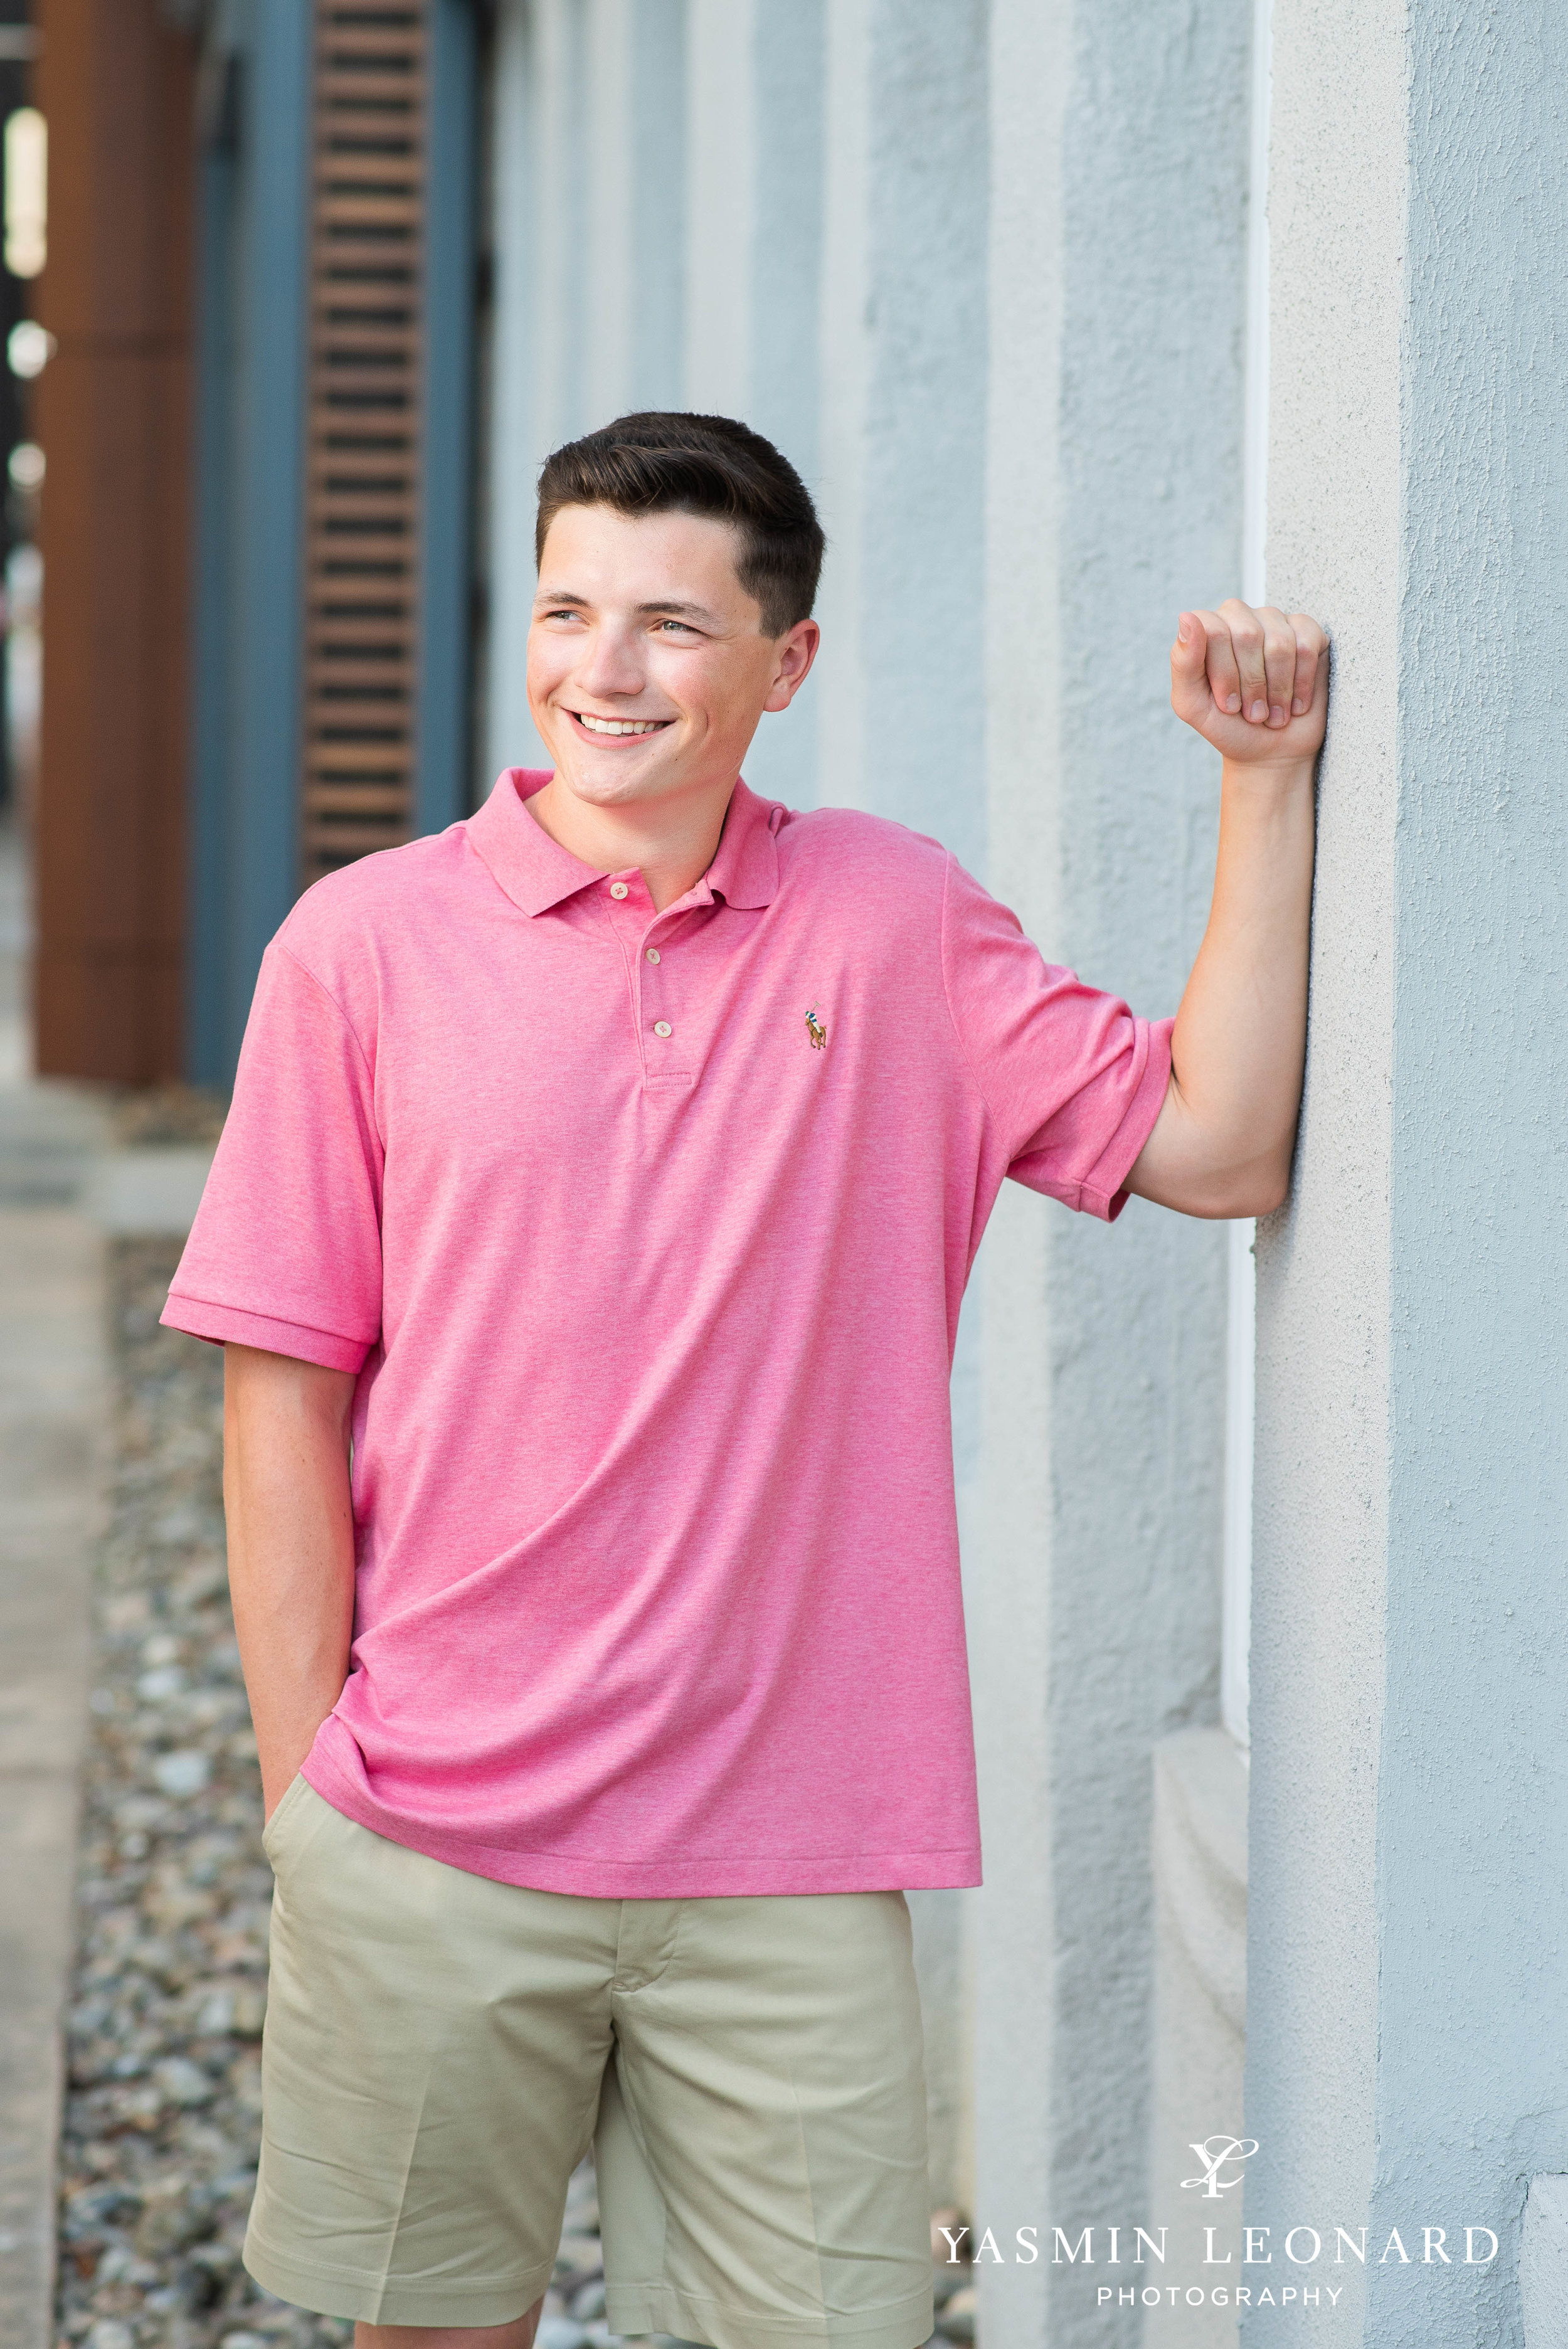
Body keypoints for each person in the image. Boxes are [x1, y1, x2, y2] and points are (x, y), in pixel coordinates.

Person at [161, 411, 1325, 2349]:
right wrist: (311, 1807)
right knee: (432, 2333)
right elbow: (281, 1389)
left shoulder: (891, 920)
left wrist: (1260, 787)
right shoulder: (358, 950)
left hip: (789, 1854)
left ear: (785, 663)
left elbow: (1215, 1147)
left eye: (670, 626)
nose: (601, 671)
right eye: (566, 609)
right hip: (433, 1829)